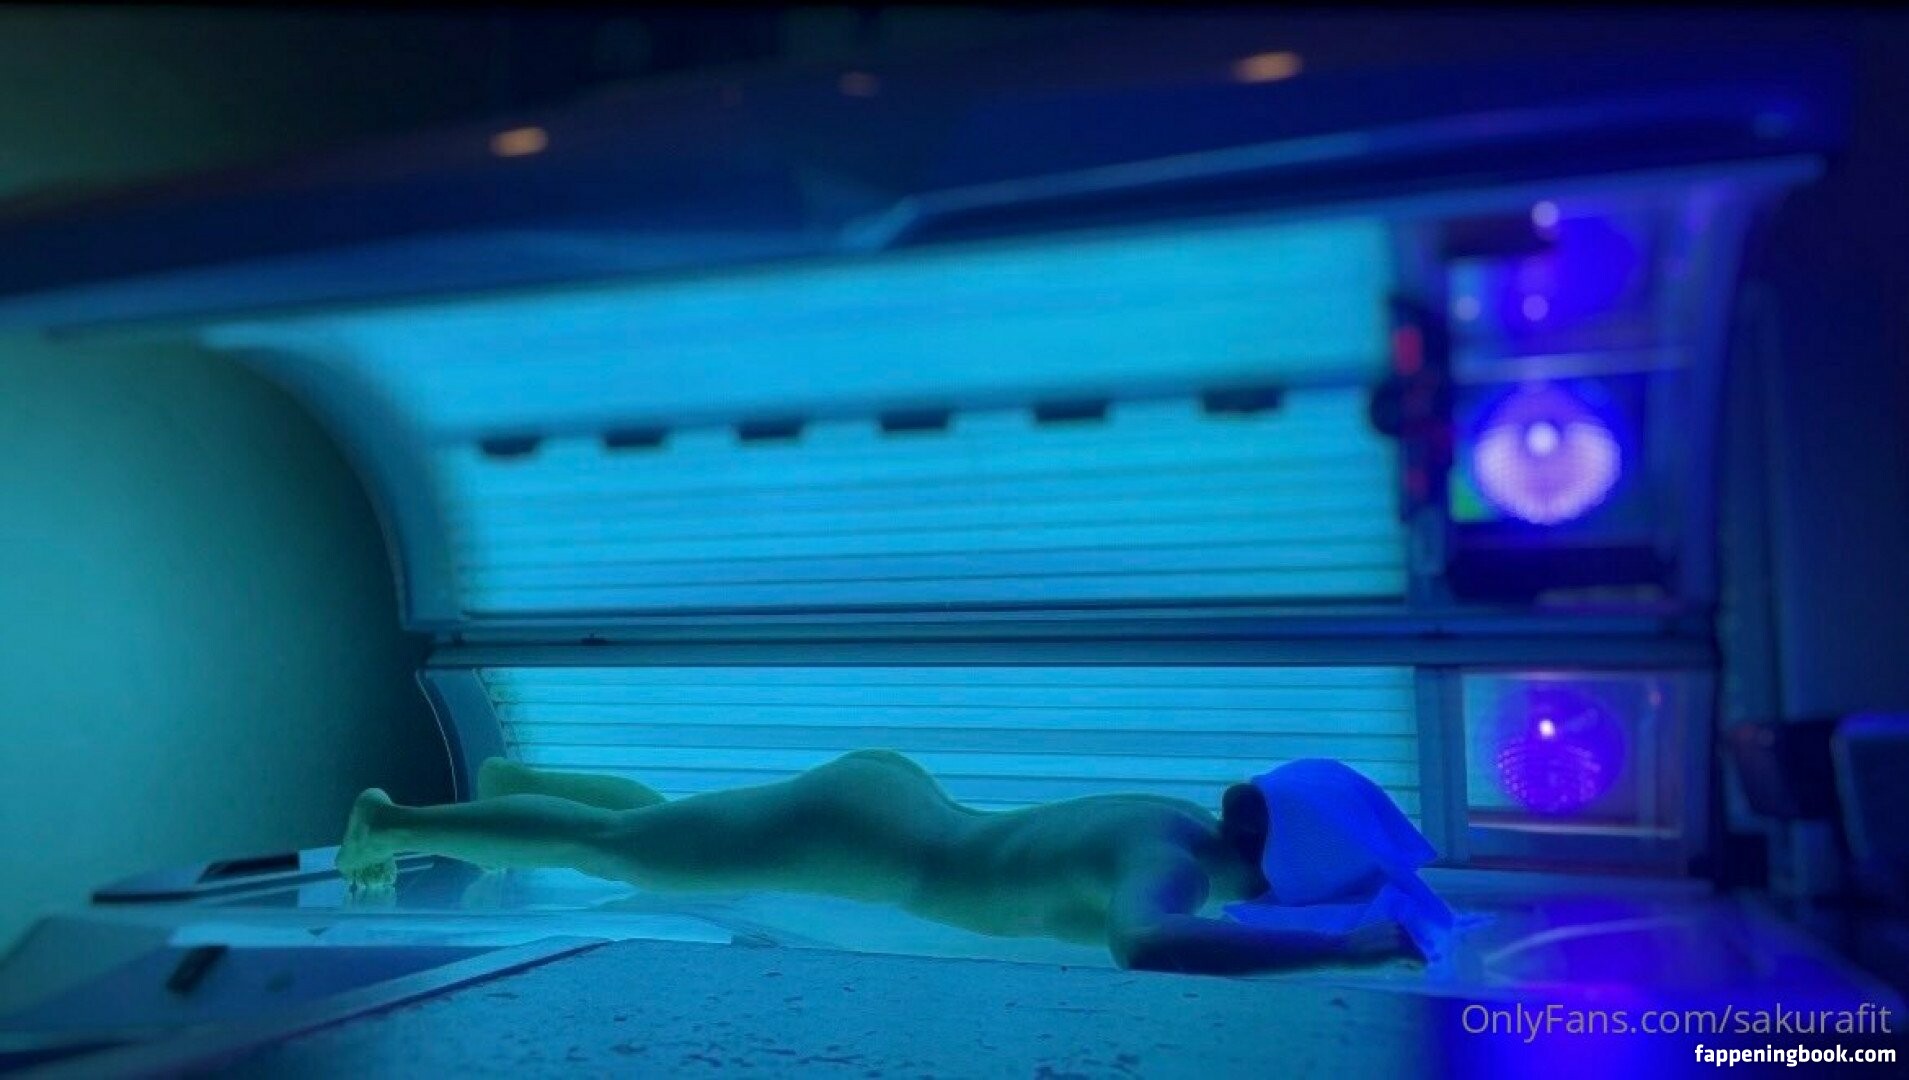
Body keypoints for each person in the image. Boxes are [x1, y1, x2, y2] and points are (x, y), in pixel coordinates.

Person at [336, 750, 1417, 975]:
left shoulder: (1176, 825)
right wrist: (1346, 953)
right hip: (862, 839)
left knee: (673, 841)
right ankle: (393, 819)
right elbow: (1148, 944)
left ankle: (521, 779)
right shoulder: (1169, 868)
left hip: (886, 818)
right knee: (622, 850)